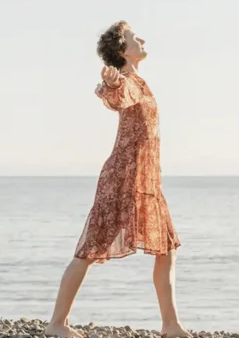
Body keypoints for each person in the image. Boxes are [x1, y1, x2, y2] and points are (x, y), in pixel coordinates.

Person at [44, 21, 191, 338]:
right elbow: (116, 97)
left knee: (166, 248)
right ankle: (56, 324)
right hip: (123, 178)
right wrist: (110, 85)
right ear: (123, 51)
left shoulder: (140, 81)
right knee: (89, 250)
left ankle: (170, 325)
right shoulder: (126, 82)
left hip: (147, 181)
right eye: (133, 37)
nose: (141, 39)